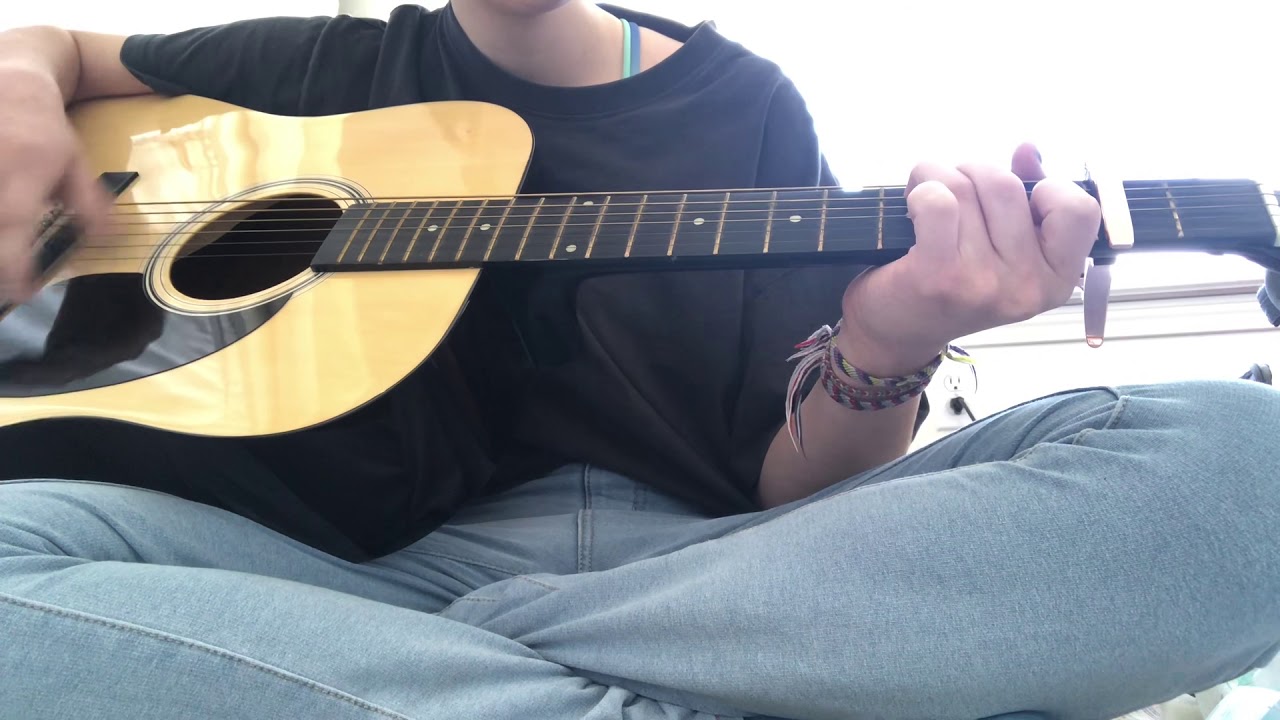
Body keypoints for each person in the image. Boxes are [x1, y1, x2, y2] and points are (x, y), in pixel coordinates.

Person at [1, 2, 1278, 719]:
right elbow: (64, 48)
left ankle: (443, 675)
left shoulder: (744, 103)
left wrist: (892, 338)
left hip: (729, 574)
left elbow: (799, 484)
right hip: (342, 565)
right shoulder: (334, 63)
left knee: (1246, 465)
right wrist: (15, 84)